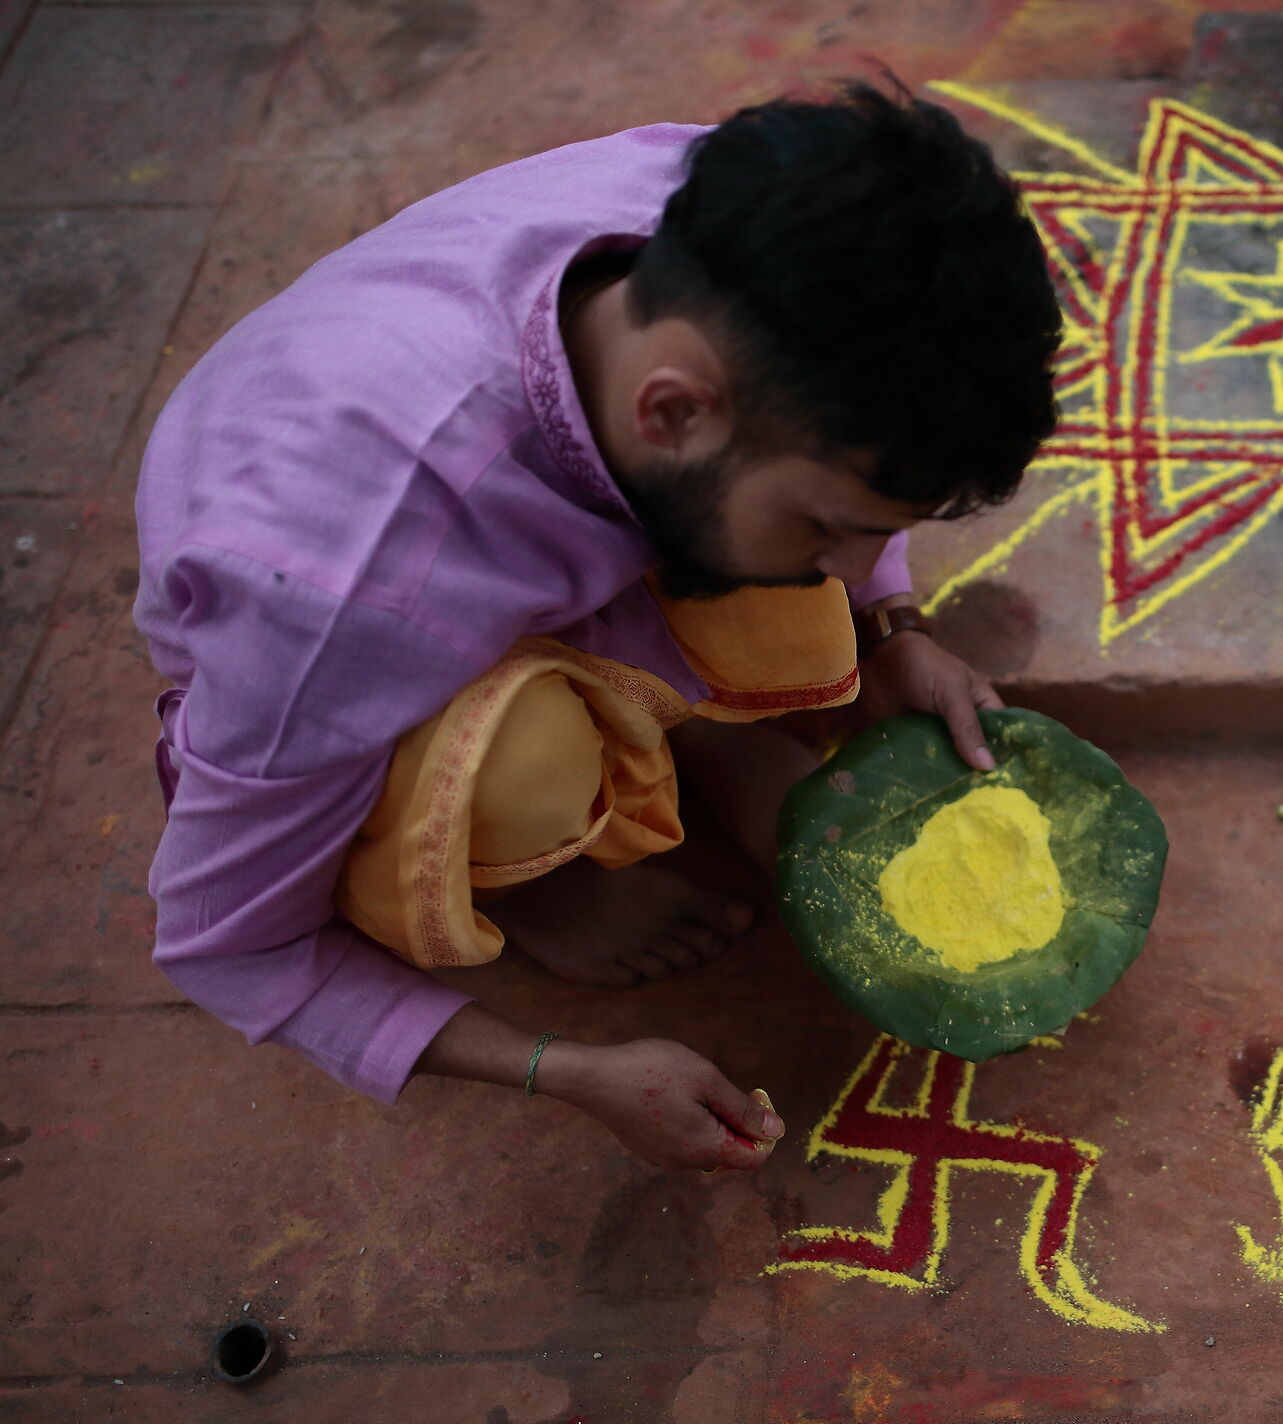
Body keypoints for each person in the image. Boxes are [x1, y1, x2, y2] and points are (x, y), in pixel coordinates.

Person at [132, 86, 1061, 1173]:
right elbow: (230, 948)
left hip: (497, 514)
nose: (858, 567)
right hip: (356, 613)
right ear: (670, 410)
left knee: (800, 606)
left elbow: (855, 487)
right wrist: (566, 1068)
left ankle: (696, 737)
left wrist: (895, 623)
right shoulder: (335, 596)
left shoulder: (731, 212)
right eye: (833, 524)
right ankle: (547, 876)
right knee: (524, 768)